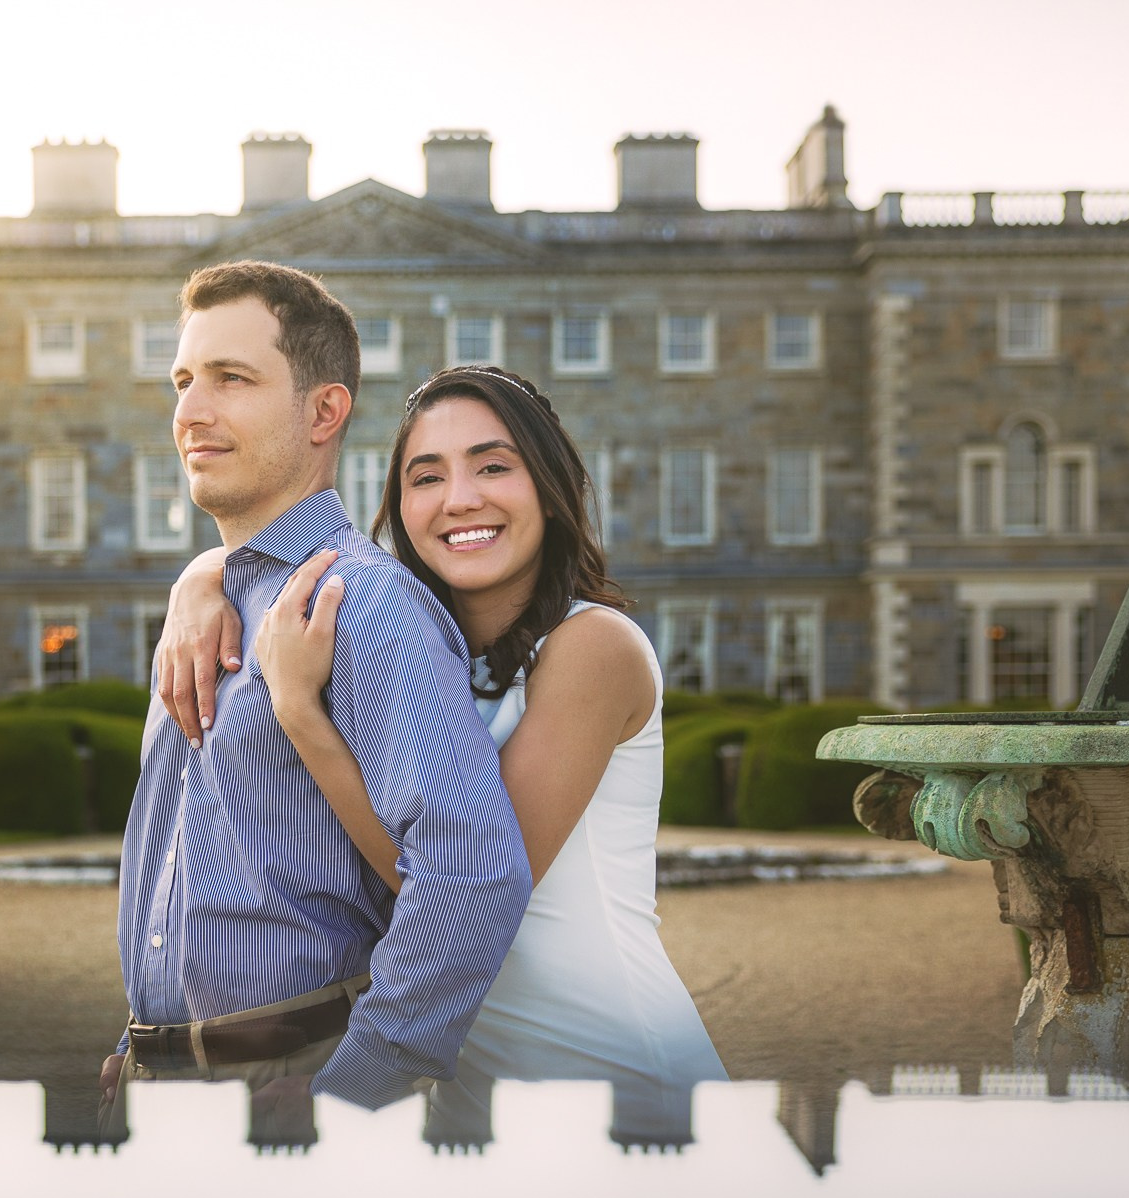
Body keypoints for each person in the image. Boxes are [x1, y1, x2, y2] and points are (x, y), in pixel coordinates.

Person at [157, 364, 725, 1133]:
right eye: (427, 477)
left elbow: (469, 880)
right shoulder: (418, 646)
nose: (460, 498)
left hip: (615, 1073)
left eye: (494, 466)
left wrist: (300, 712)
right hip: (474, 1095)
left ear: (551, 490)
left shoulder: (593, 647)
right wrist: (205, 574)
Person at [102, 262, 533, 1117]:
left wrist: (351, 1092)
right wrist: (139, 1049)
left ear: (324, 411)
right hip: (160, 1085)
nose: (190, 410)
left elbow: (474, 871)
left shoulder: (365, 603)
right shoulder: (208, 605)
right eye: (183, 380)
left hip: (286, 1088)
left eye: (232, 378)